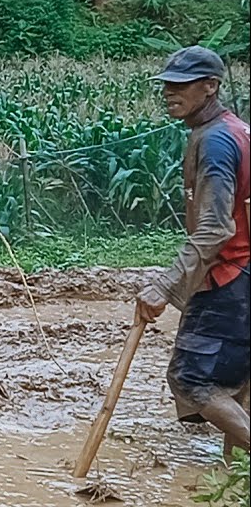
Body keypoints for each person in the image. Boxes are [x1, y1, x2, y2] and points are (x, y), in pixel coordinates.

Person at [136, 46, 250, 455]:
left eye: (181, 84)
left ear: (211, 86)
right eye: (167, 83)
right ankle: (236, 482)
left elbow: (217, 227)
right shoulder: (236, 129)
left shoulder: (217, 141)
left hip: (231, 277)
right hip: (243, 275)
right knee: (234, 388)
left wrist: (166, 286)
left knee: (193, 380)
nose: (170, 91)